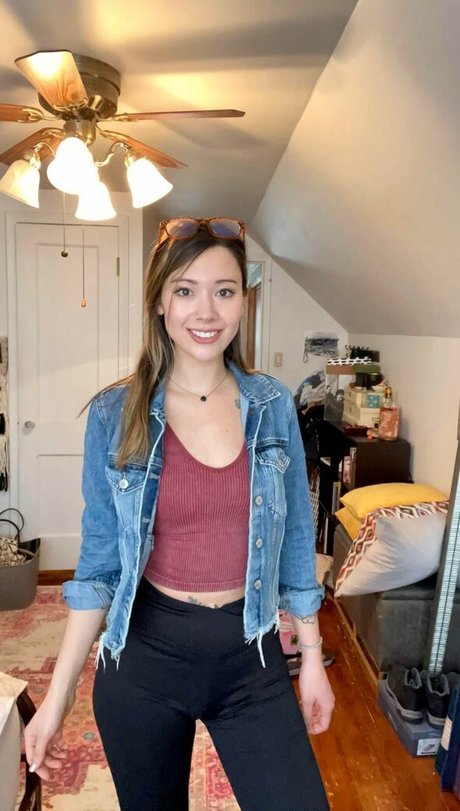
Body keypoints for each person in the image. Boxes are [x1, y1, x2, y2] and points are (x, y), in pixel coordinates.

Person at [24, 217, 334, 810]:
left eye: (225, 290)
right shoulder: (116, 413)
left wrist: (313, 657)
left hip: (252, 658)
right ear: (160, 302)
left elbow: (297, 539)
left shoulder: (271, 405)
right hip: (146, 662)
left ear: (243, 301)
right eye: (186, 290)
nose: (206, 311)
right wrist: (57, 699)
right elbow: (99, 567)